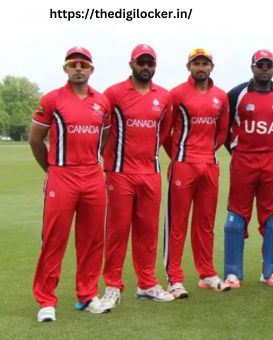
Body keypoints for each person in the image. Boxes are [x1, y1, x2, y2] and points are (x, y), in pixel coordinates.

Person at [29, 46, 111, 322]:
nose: (78, 68)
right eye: (73, 64)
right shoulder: (52, 99)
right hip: (62, 176)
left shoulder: (102, 102)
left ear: (91, 70)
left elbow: (105, 137)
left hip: (92, 176)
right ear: (65, 68)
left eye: (84, 64)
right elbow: (35, 139)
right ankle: (46, 301)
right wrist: (51, 169)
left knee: (92, 240)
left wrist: (92, 164)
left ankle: (87, 295)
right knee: (54, 239)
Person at [99, 44, 174, 309]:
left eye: (150, 62)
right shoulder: (114, 93)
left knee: (148, 232)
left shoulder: (164, 97)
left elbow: (163, 131)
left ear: (155, 65)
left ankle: (147, 284)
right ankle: (112, 286)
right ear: (131, 64)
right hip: (119, 173)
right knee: (117, 232)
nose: (146, 67)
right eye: (141, 62)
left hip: (150, 173)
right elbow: (103, 127)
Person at [162, 48, 231, 298]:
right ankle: (175, 279)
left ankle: (207, 273)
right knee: (177, 224)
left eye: (205, 63)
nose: (201, 67)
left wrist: (206, 154)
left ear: (212, 67)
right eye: (196, 63)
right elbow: (165, 132)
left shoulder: (221, 96)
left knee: (205, 223)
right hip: (183, 166)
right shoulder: (177, 94)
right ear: (188, 66)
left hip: (209, 166)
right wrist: (180, 155)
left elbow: (223, 132)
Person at [223, 49, 273, 288]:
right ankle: (232, 273)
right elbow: (225, 128)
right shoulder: (236, 94)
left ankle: (270, 271)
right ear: (252, 67)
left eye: (268, 65)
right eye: (260, 65)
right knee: (236, 217)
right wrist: (239, 150)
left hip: (271, 161)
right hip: (243, 161)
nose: (264, 69)